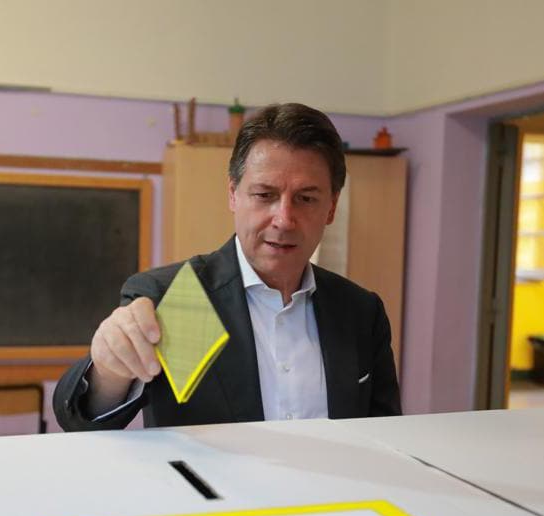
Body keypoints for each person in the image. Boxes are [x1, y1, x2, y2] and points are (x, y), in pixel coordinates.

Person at [54, 103, 401, 431]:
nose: (284, 219)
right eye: (264, 195)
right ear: (233, 194)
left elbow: (386, 434)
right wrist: (109, 373)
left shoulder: (359, 311)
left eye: (306, 198)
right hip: (219, 496)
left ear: (331, 208)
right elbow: (83, 419)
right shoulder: (185, 299)